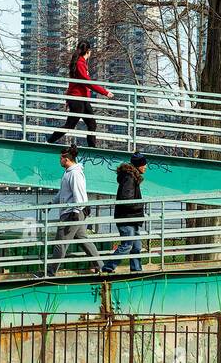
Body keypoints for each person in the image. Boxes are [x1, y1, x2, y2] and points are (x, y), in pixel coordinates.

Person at [44, 145, 103, 277]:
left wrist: (76, 211)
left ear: (66, 159)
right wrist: (52, 202)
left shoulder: (75, 174)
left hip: (72, 213)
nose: (59, 161)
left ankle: (50, 272)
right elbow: (63, 192)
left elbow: (79, 194)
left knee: (60, 243)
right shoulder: (69, 172)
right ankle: (101, 267)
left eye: (61, 158)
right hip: (74, 212)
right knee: (83, 239)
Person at [48, 40, 112, 148]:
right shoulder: (80, 64)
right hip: (77, 99)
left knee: (92, 124)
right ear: (88, 51)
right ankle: (49, 141)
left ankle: (92, 148)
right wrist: (105, 92)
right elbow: (88, 83)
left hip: (82, 99)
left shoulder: (81, 63)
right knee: (70, 125)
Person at [103, 156, 146, 274]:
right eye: (144, 164)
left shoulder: (131, 177)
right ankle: (108, 268)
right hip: (126, 217)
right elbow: (126, 198)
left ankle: (136, 270)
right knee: (127, 245)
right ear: (138, 165)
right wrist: (140, 206)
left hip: (132, 217)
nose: (145, 167)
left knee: (136, 246)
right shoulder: (129, 177)